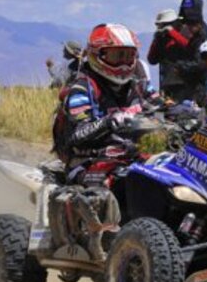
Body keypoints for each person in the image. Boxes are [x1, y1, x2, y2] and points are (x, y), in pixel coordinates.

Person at [56, 23, 150, 176]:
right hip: (89, 161)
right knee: (110, 189)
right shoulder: (82, 89)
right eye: (117, 56)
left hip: (133, 155)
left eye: (129, 56)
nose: (124, 64)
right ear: (96, 55)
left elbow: (159, 103)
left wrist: (185, 112)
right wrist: (108, 122)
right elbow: (77, 134)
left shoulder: (138, 85)